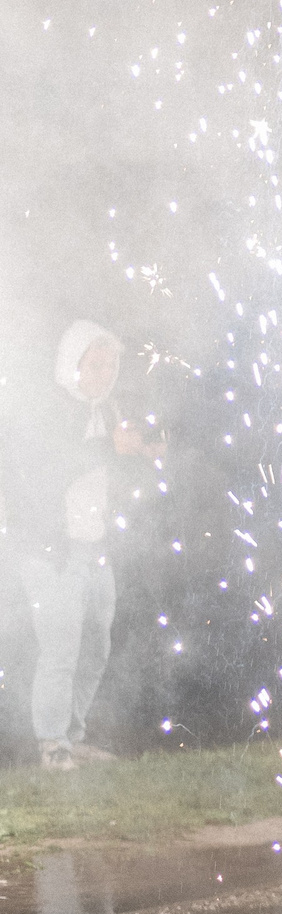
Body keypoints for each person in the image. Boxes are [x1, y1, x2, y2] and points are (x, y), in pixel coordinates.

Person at [7, 321, 163, 770]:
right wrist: (111, 448)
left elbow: (108, 475)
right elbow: (49, 471)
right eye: (94, 362)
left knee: (96, 648)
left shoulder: (107, 411)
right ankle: (52, 744)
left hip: (96, 550)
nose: (103, 371)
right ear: (71, 363)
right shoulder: (48, 409)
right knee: (61, 650)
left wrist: (142, 456)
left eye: (110, 363)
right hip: (53, 552)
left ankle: (71, 738)